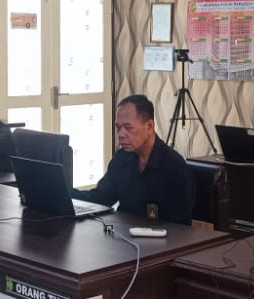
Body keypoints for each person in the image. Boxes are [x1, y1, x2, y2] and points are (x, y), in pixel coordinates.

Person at [74, 94, 194, 224]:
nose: (121, 134)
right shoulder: (121, 157)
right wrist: (65, 194)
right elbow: (101, 197)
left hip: (159, 235)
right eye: (118, 127)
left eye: (128, 127)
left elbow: (181, 226)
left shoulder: (174, 167)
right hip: (122, 232)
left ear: (149, 126)